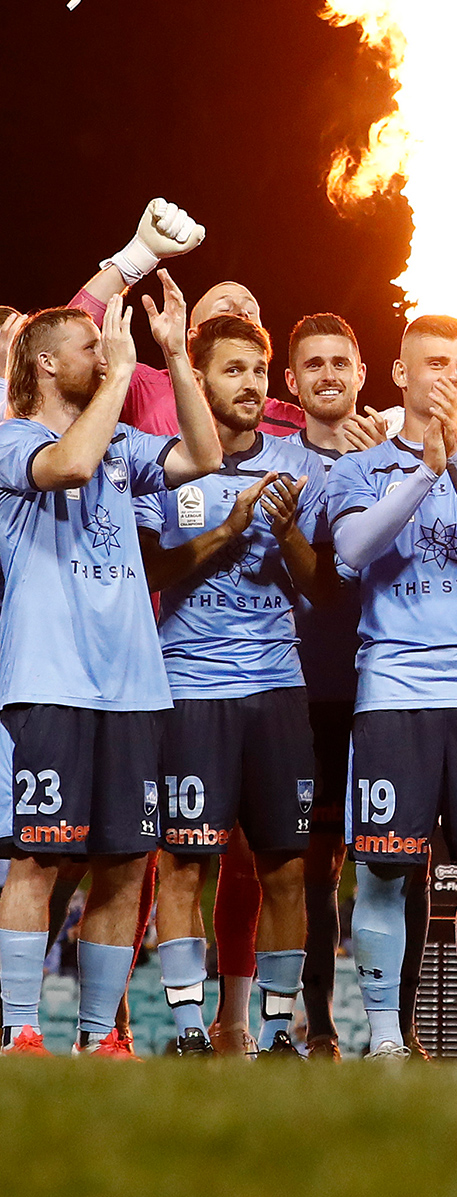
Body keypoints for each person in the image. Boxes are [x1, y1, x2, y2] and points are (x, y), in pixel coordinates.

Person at [0, 283, 223, 1057]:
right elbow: (66, 465)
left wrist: (174, 356)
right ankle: (20, 1028)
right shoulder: (10, 437)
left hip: (133, 683)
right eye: (91, 346)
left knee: (127, 863)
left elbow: (204, 455)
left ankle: (102, 1038)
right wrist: (124, 376)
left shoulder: (125, 447)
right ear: (45, 360)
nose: (105, 353)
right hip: (49, 679)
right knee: (37, 855)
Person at [327, 315, 457, 1063]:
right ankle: (385, 1036)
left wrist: (453, 461)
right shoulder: (359, 467)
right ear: (400, 375)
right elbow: (351, 550)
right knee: (384, 866)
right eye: (434, 363)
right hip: (393, 688)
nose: (448, 375)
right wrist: (423, 467)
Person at [133, 314, 326, 1059]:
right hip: (190, 688)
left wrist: (286, 535)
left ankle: (275, 1035)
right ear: (200, 381)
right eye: (231, 371)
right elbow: (152, 573)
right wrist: (225, 531)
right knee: (184, 862)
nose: (246, 385)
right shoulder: (168, 467)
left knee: (283, 867)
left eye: (255, 370)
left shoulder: (296, 464)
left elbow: (325, 590)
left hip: (278, 690)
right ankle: (187, 1029)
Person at [285, 314, 390, 1059]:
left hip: (385, 687)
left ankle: (404, 1027)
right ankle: (316, 1024)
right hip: (303, 688)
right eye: (312, 364)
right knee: (311, 870)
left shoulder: (393, 452)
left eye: (340, 363)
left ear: (362, 375)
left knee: (395, 860)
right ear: (291, 383)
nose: (327, 374)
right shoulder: (274, 460)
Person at [70, 200, 309, 438]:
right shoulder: (144, 389)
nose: (240, 315)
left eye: (249, 313)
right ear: (193, 339)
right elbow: (66, 345)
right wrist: (136, 257)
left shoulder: (288, 422)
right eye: (224, 310)